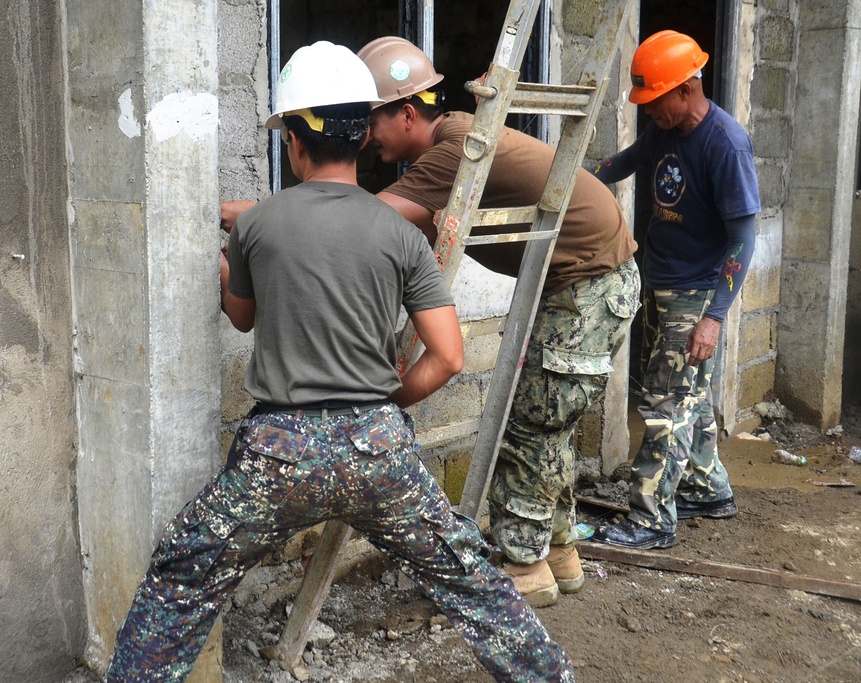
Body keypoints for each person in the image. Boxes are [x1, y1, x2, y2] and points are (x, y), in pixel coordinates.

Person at [106, 41, 574, 683]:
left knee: (186, 571)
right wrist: (385, 405)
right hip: (378, 449)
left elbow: (242, 317)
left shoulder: (256, 226)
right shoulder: (403, 234)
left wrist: (225, 270)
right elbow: (448, 356)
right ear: (358, 139)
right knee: (468, 576)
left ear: (295, 142)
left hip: (279, 453)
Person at [356, 37, 640, 608]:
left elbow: (365, 217)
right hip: (592, 284)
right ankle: (558, 551)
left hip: (585, 288)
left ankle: (523, 570)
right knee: (548, 426)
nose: (365, 137)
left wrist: (267, 215)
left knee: (530, 427)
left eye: (370, 121)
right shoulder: (460, 133)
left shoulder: (455, 150)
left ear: (407, 113)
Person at [590, 30, 759, 550]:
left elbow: (743, 237)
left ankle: (649, 518)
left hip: (696, 294)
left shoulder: (725, 145)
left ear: (686, 88)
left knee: (665, 407)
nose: (649, 112)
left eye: (654, 100)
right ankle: (707, 488)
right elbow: (623, 163)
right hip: (659, 283)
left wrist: (715, 316)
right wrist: (575, 183)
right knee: (689, 395)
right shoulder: (664, 132)